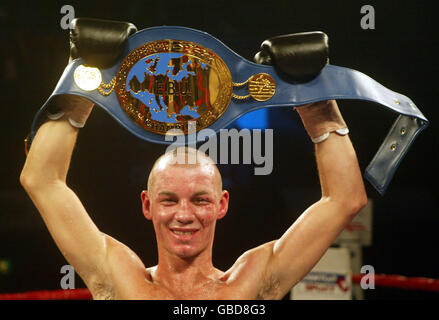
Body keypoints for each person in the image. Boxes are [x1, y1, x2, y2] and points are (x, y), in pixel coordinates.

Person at [20, 94, 367, 299]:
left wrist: (317, 102)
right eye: (169, 200)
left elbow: (345, 198)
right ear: (147, 205)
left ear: (221, 204)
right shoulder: (119, 279)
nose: (184, 215)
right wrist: (81, 84)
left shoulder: (250, 282)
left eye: (200, 200)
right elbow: (41, 180)